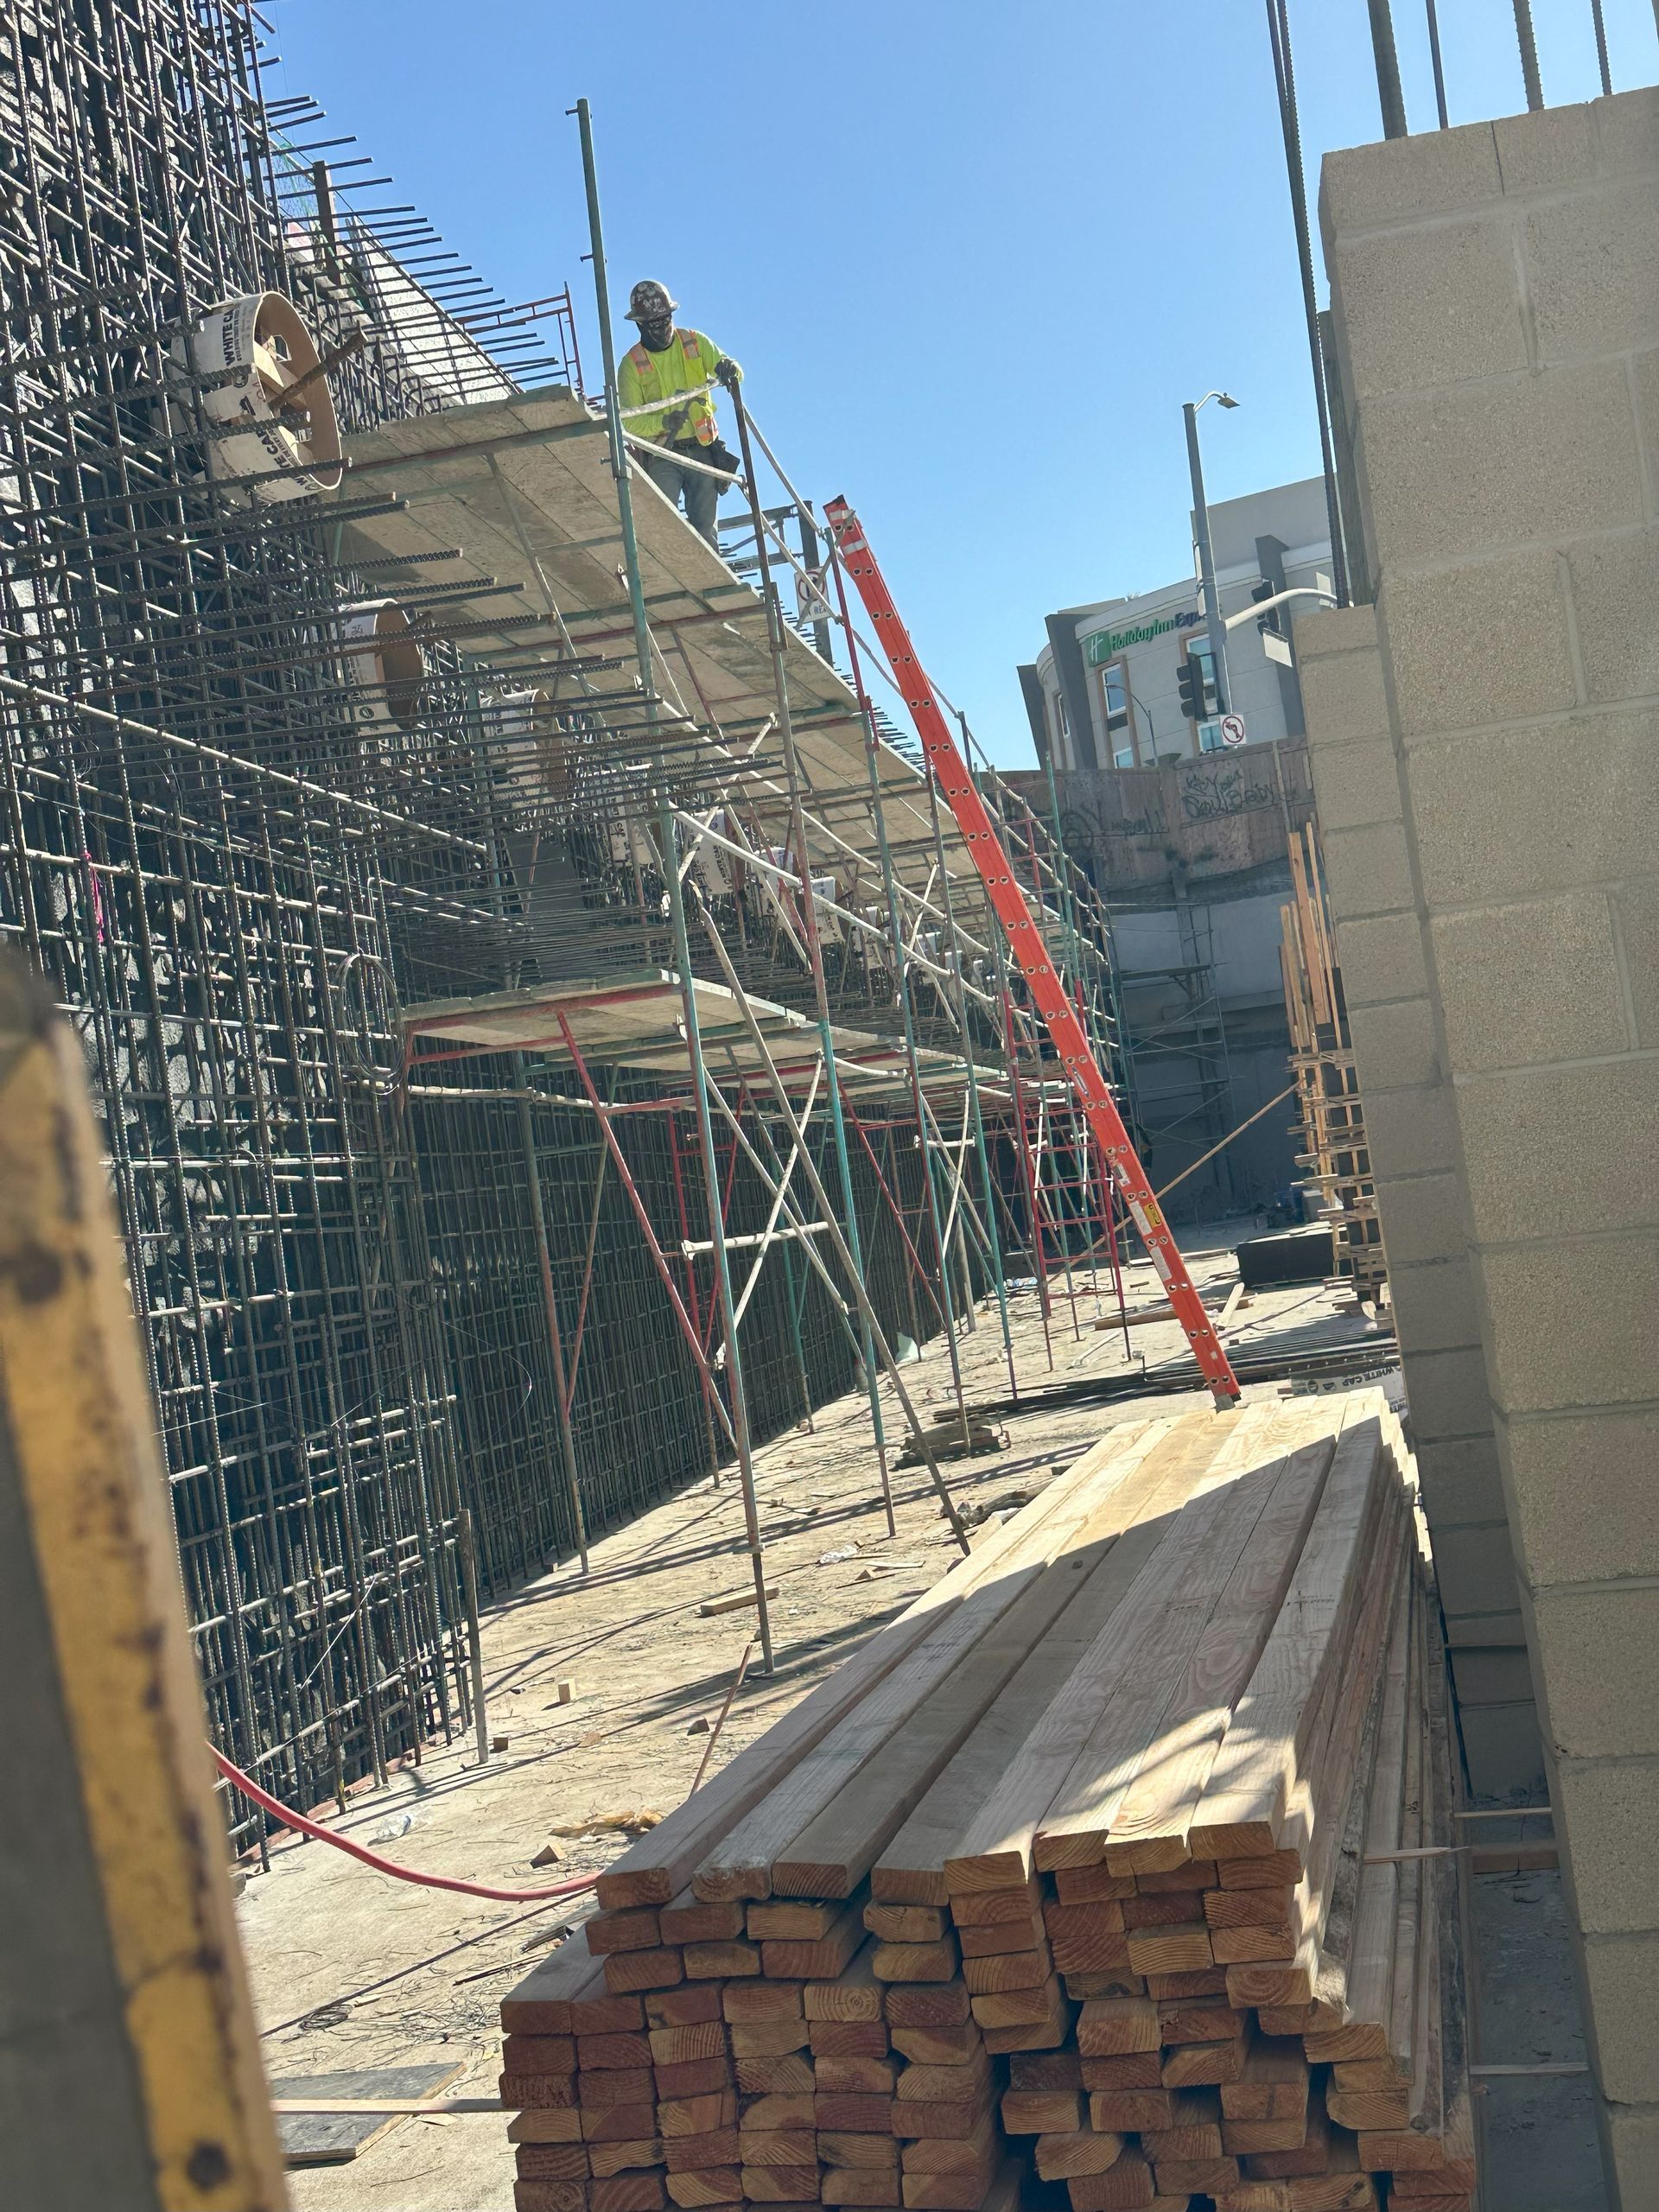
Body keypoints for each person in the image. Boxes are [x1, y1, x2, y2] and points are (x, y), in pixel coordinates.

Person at [617, 279, 741, 548]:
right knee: (663, 522)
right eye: (655, 323)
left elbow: (735, 372)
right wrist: (662, 421)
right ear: (640, 324)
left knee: (705, 531)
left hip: (702, 450)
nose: (663, 327)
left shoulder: (694, 342)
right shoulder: (631, 365)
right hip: (663, 455)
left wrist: (728, 368)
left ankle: (708, 580)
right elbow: (629, 421)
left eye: (666, 319)